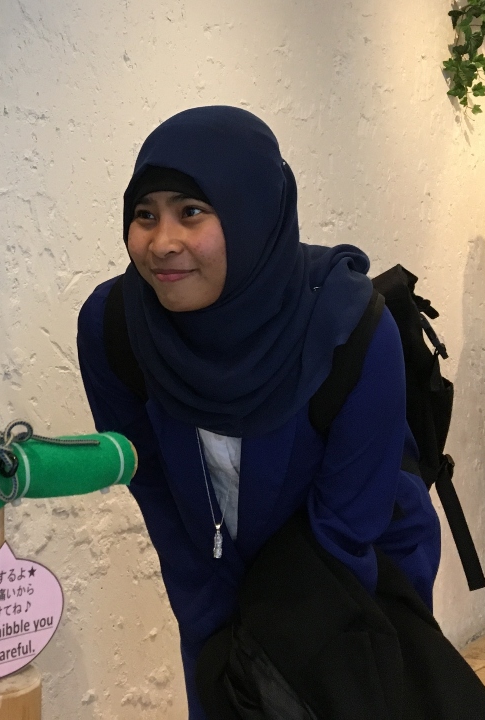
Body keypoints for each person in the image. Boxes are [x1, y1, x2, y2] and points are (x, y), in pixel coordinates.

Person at [76, 107, 447, 718]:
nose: (162, 242)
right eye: (145, 215)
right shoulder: (116, 327)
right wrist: (211, 614)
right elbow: (151, 480)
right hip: (216, 579)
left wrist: (269, 646)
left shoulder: (347, 321)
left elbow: (349, 520)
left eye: (191, 212)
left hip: (355, 572)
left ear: (250, 211)